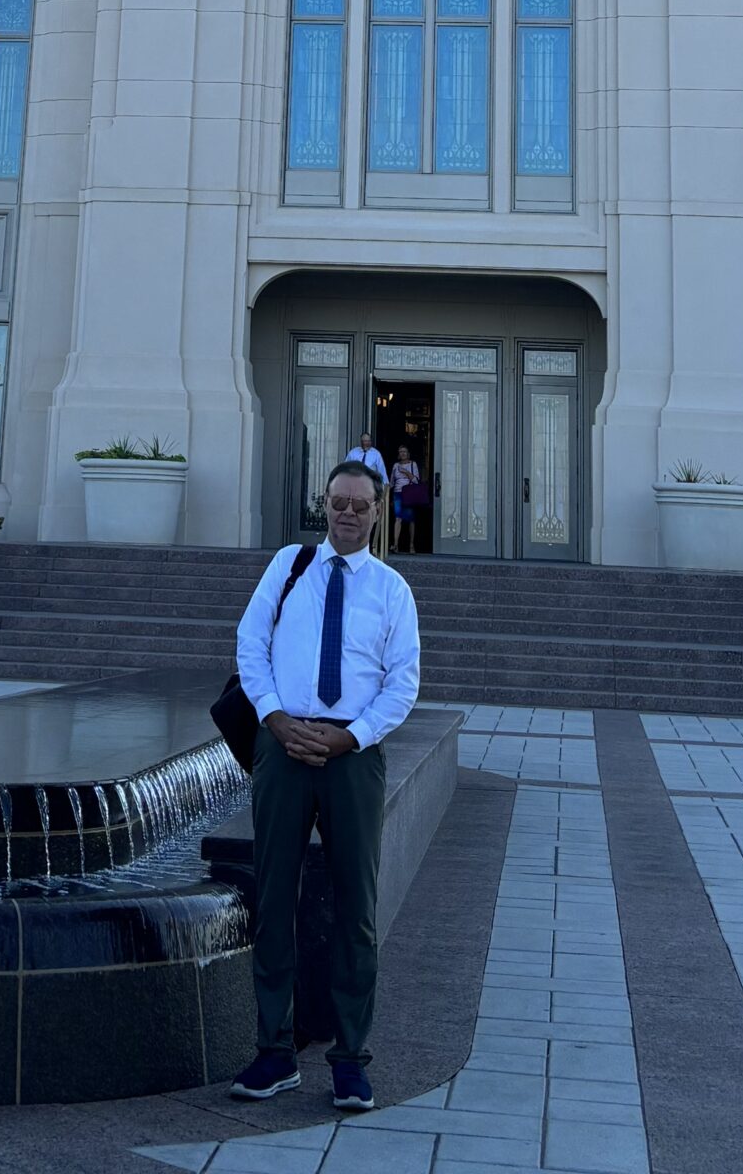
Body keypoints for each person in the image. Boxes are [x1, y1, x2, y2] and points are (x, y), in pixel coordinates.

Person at [228, 460, 421, 1116]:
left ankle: (349, 1061)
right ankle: (274, 1051)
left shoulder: (392, 590)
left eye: (359, 504)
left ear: (377, 512)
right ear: (324, 504)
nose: (346, 512)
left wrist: (350, 736)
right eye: (336, 502)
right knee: (275, 895)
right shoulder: (288, 565)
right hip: (281, 746)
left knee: (355, 909)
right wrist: (276, 719)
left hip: (352, 755)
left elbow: (403, 681)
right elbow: (250, 645)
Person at [343, 428, 389, 557]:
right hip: (355, 489)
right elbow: (345, 468)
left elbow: (381, 472)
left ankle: (367, 546)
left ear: (371, 442)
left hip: (369, 489)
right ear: (361, 442)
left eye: (368, 441)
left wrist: (385, 489)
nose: (366, 443)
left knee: (368, 516)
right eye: (364, 441)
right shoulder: (353, 453)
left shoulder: (376, 454)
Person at [389, 445, 424, 555]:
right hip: (398, 493)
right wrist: (388, 497)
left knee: (410, 520)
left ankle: (411, 545)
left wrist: (406, 473)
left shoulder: (413, 464)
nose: (403, 453)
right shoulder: (395, 465)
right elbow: (391, 482)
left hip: (409, 494)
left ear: (408, 453)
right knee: (398, 518)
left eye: (405, 451)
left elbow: (416, 481)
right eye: (401, 452)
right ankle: (395, 545)